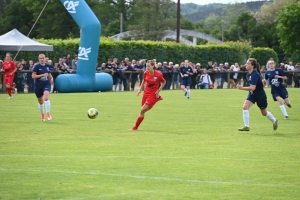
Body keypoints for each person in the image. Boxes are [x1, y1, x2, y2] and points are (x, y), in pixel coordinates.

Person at [237, 58, 278, 131]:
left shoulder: (255, 74)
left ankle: (274, 120)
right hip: (252, 94)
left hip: (260, 96)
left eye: (248, 63)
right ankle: (246, 126)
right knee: (245, 107)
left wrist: (242, 88)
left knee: (264, 113)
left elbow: (253, 87)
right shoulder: (248, 74)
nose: (246, 65)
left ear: (252, 66)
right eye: (246, 63)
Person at [130, 60, 166, 131]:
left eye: (149, 66)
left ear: (153, 66)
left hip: (152, 94)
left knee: (142, 110)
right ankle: (136, 127)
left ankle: (135, 127)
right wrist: (140, 89)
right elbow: (144, 80)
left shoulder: (158, 75)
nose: (147, 68)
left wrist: (158, 91)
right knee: (142, 111)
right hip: (146, 93)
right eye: (146, 66)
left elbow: (164, 82)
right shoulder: (146, 73)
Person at [32, 54, 53, 121]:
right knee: (40, 102)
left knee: (46, 98)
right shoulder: (36, 66)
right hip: (38, 85)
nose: (42, 59)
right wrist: (42, 75)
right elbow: (33, 76)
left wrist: (51, 78)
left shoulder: (47, 65)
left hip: (46, 83)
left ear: (45, 58)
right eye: (40, 58)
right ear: (39, 59)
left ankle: (48, 114)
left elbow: (49, 73)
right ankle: (42, 114)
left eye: (43, 58)